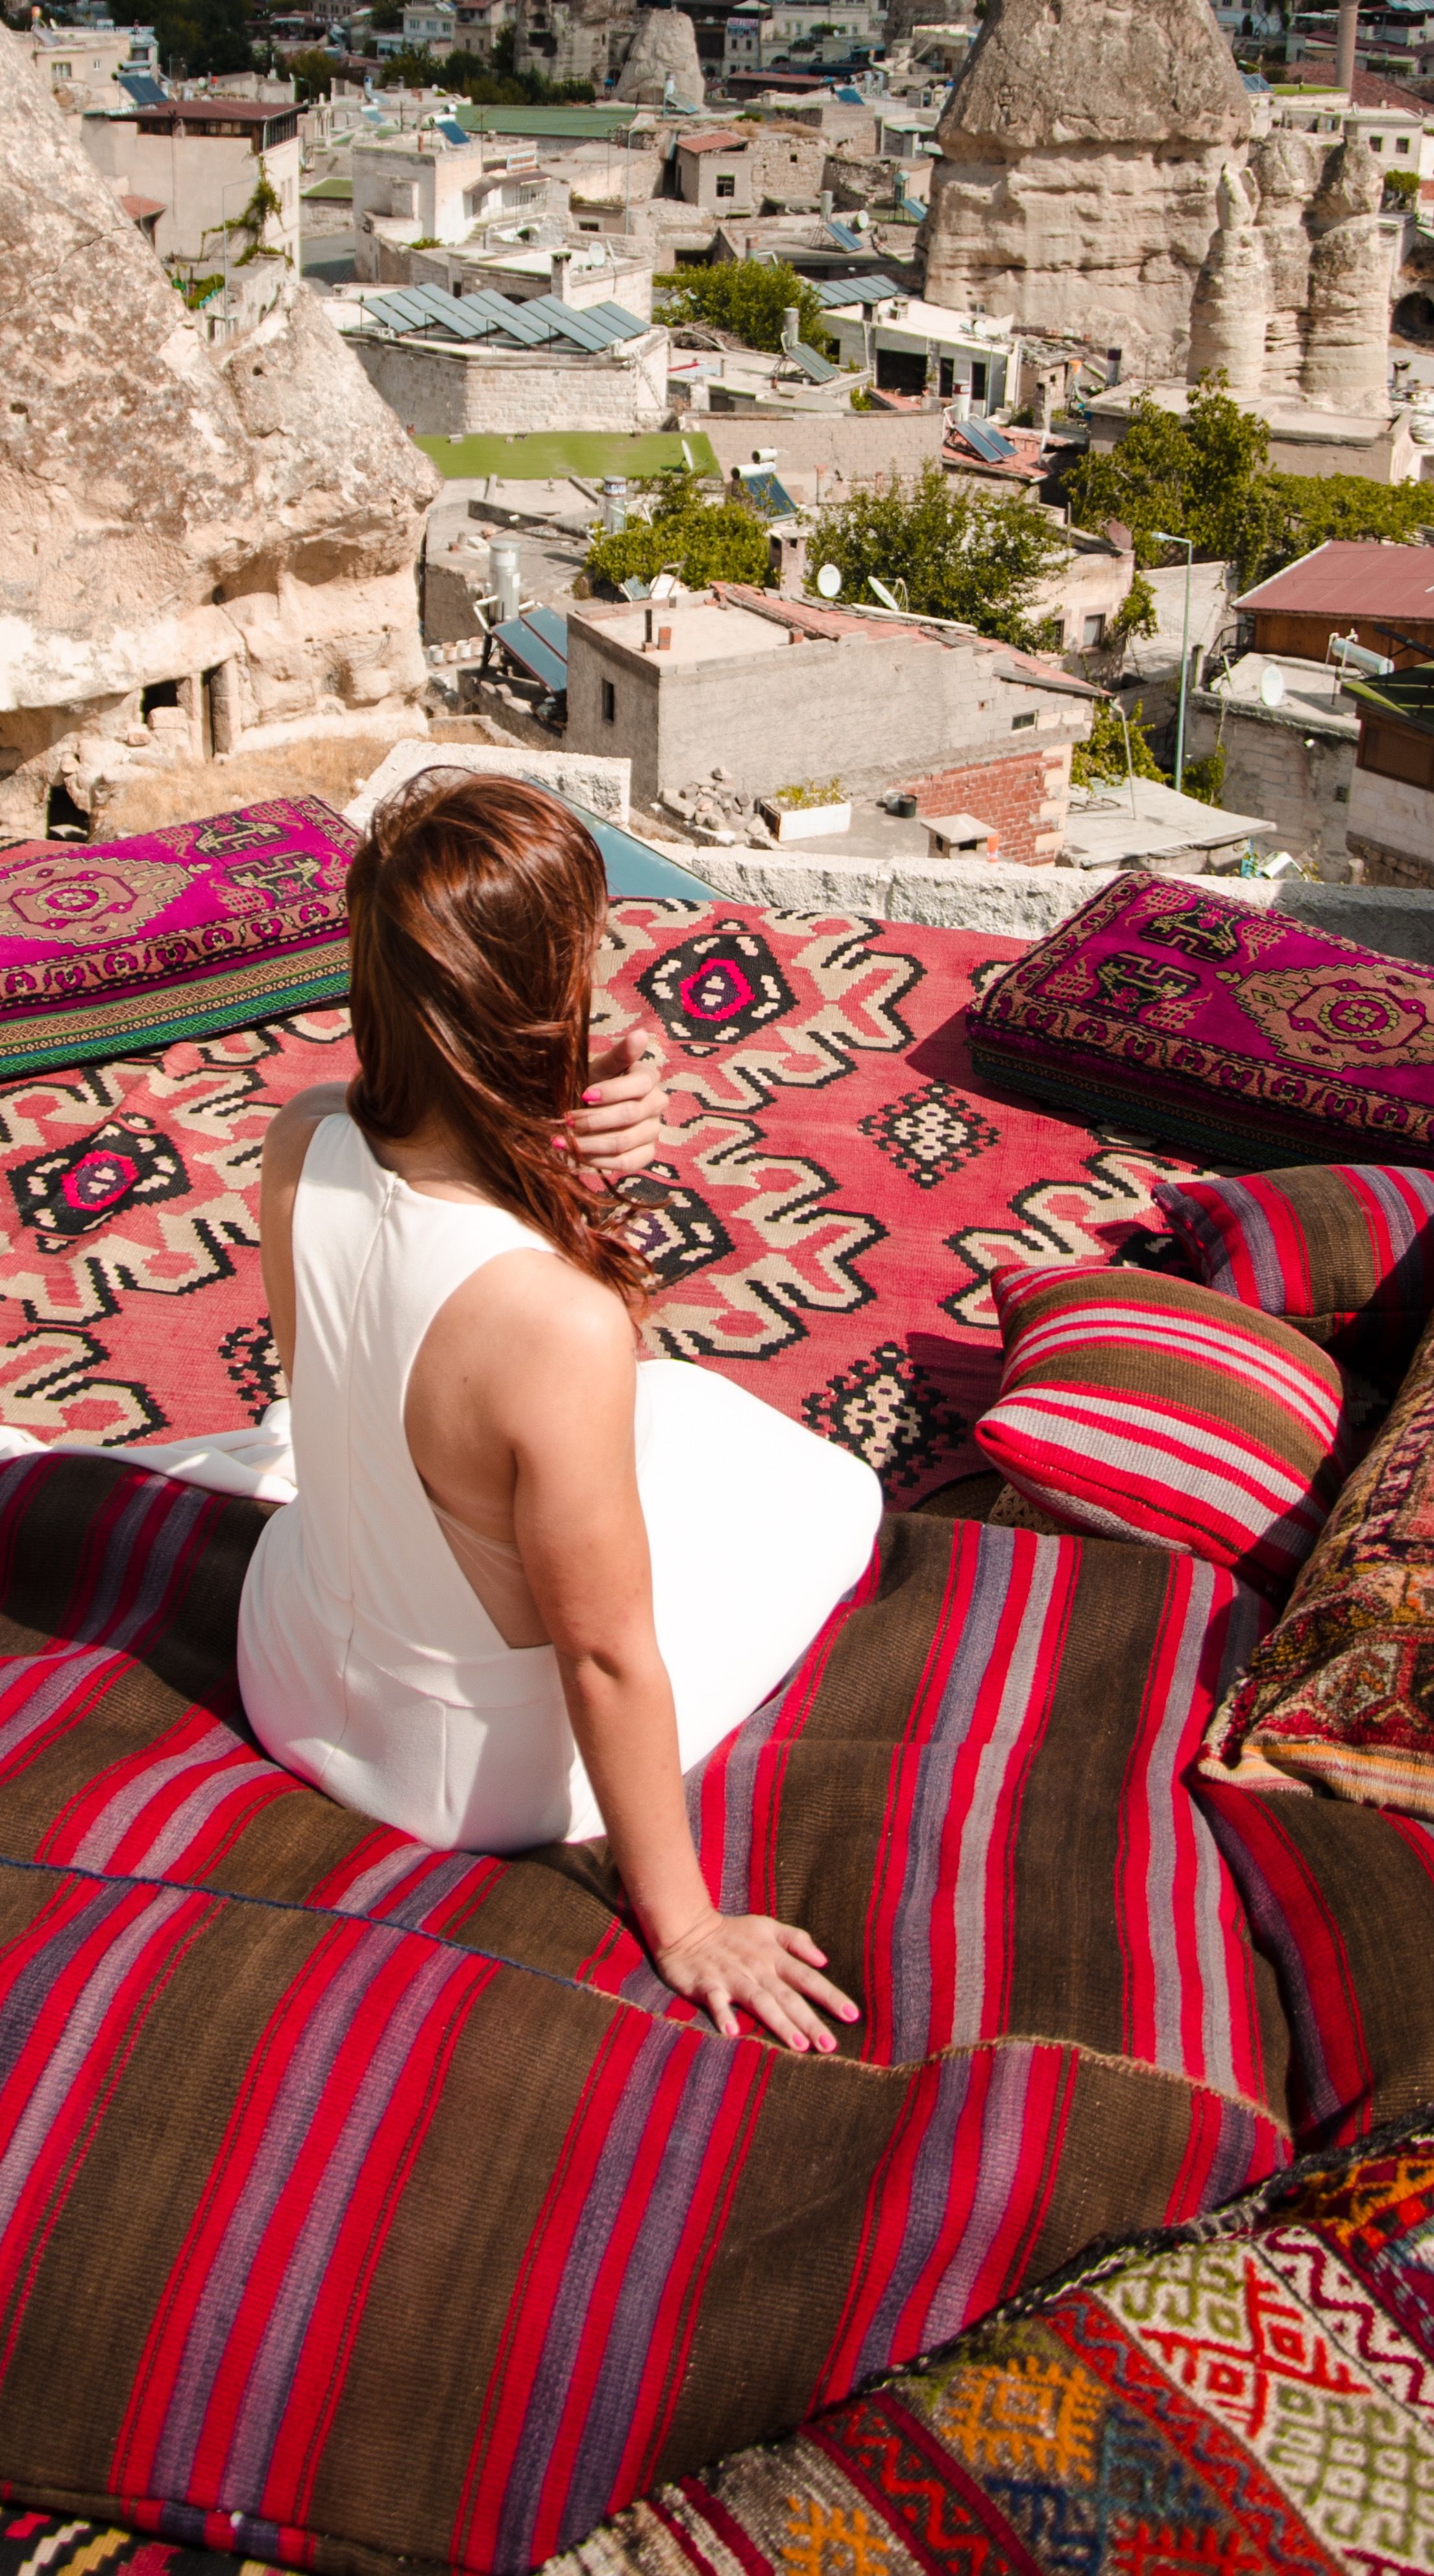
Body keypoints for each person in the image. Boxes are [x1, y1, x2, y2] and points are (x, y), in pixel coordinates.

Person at [237, 774, 882, 2052]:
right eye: (589, 960)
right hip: (461, 1770)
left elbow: (359, 1358)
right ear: (537, 1005)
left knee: (671, 1411)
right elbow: (600, 1657)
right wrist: (687, 1923)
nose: (610, 974)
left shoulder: (299, 1133)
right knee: (824, 1492)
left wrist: (570, 1107)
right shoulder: (557, 1326)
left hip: (297, 1654)